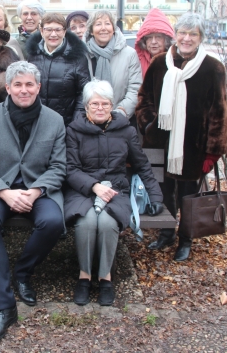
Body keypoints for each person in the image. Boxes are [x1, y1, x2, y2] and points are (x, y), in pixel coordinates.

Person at [0, 61, 66, 343]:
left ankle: (23, 272)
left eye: (30, 85)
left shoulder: (54, 119)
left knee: (52, 221)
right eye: (18, 85)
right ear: (8, 88)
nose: (24, 90)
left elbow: (59, 167)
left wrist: (35, 191)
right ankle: (5, 306)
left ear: (38, 87)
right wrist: (3, 192)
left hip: (37, 190)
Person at [136, 12, 227, 262]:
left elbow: (219, 113)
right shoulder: (159, 63)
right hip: (159, 143)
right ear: (175, 35)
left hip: (193, 146)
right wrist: (148, 125)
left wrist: (212, 152)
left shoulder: (213, 68)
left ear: (200, 38)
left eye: (193, 34)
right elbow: (144, 100)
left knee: (188, 195)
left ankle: (185, 239)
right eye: (183, 33)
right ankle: (166, 232)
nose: (186, 38)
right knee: (164, 191)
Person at [64, 80, 163, 306]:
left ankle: (105, 278)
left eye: (105, 103)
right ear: (86, 106)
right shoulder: (74, 130)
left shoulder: (126, 131)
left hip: (116, 190)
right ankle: (84, 277)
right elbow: (70, 169)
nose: (100, 108)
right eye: (94, 103)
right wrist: (93, 186)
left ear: (112, 105)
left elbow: (142, 165)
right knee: (87, 222)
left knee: (108, 223)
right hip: (82, 191)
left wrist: (156, 196)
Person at [26, 12, 90, 127]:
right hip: (36, 122)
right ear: (41, 31)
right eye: (49, 30)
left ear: (65, 31)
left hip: (65, 123)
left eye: (58, 30)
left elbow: (83, 92)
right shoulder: (33, 55)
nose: (53, 34)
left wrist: (76, 122)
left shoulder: (77, 57)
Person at [84, 10, 142, 120]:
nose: (103, 28)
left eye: (107, 23)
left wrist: (119, 114)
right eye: (98, 24)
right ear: (91, 31)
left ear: (113, 28)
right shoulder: (83, 54)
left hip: (121, 119)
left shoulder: (129, 54)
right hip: (89, 120)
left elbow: (135, 89)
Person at [134, 8, 174, 78]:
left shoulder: (175, 60)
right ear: (144, 41)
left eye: (158, 37)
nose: (153, 42)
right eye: (149, 37)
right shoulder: (136, 60)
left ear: (166, 39)